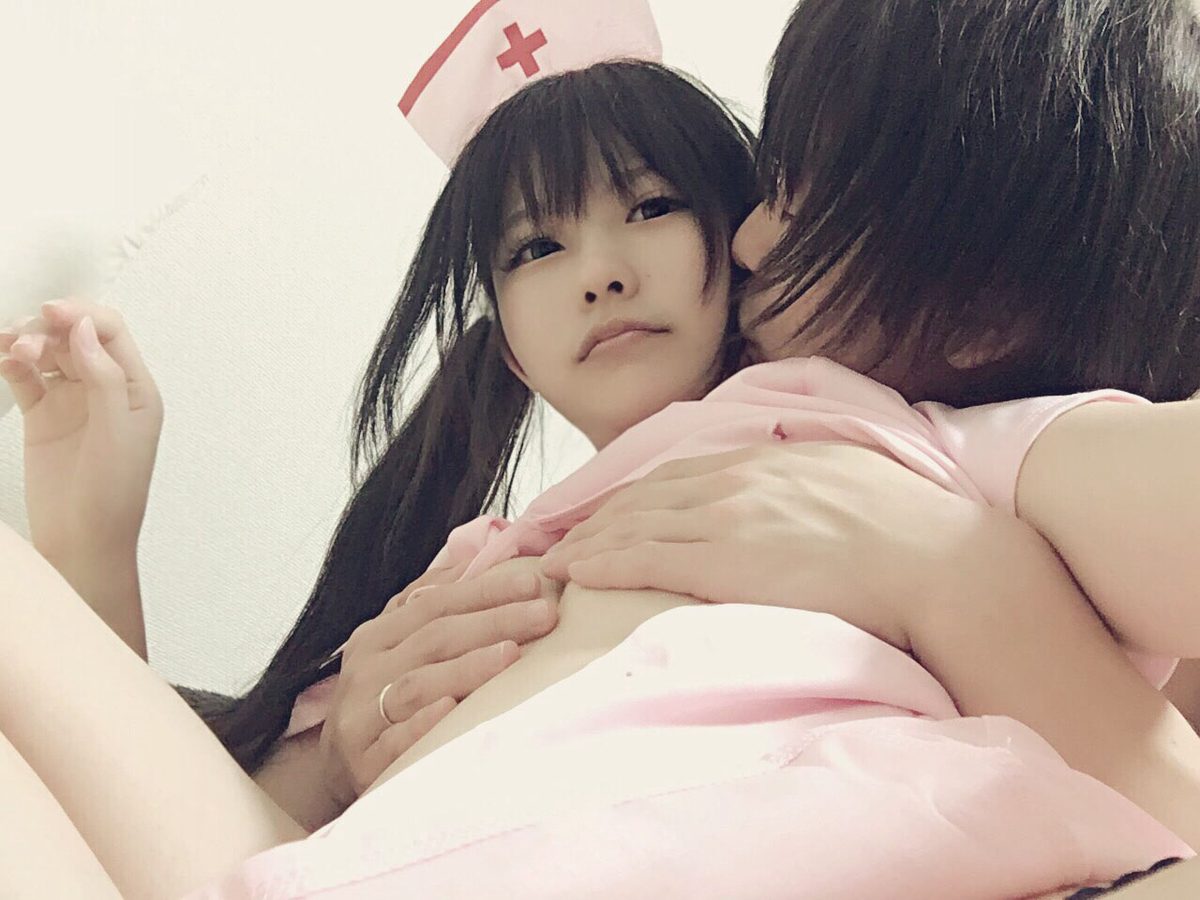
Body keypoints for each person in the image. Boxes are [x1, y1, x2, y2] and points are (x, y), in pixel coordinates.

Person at [0, 1, 1197, 897]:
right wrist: (93, 536)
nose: (603, 273)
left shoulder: (880, 434)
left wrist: (953, 564)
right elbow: (193, 828)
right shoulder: (463, 575)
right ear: (510, 354)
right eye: (535, 250)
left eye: (655, 206)